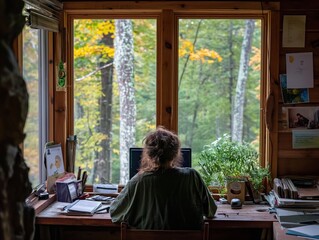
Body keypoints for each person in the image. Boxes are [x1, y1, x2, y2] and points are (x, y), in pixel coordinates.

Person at [110, 126, 217, 230]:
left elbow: (115, 213)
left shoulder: (138, 181)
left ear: (148, 154)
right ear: (176, 153)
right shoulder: (192, 177)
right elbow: (211, 211)